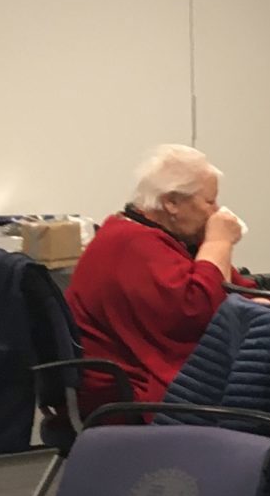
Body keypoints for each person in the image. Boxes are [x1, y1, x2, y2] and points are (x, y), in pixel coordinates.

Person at [67, 143, 250, 418]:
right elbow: (200, 312)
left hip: (138, 388)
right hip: (132, 400)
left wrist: (257, 301)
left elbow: (230, 287)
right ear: (171, 203)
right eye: (210, 201)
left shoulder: (159, 238)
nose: (217, 212)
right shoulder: (131, 245)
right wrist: (218, 242)